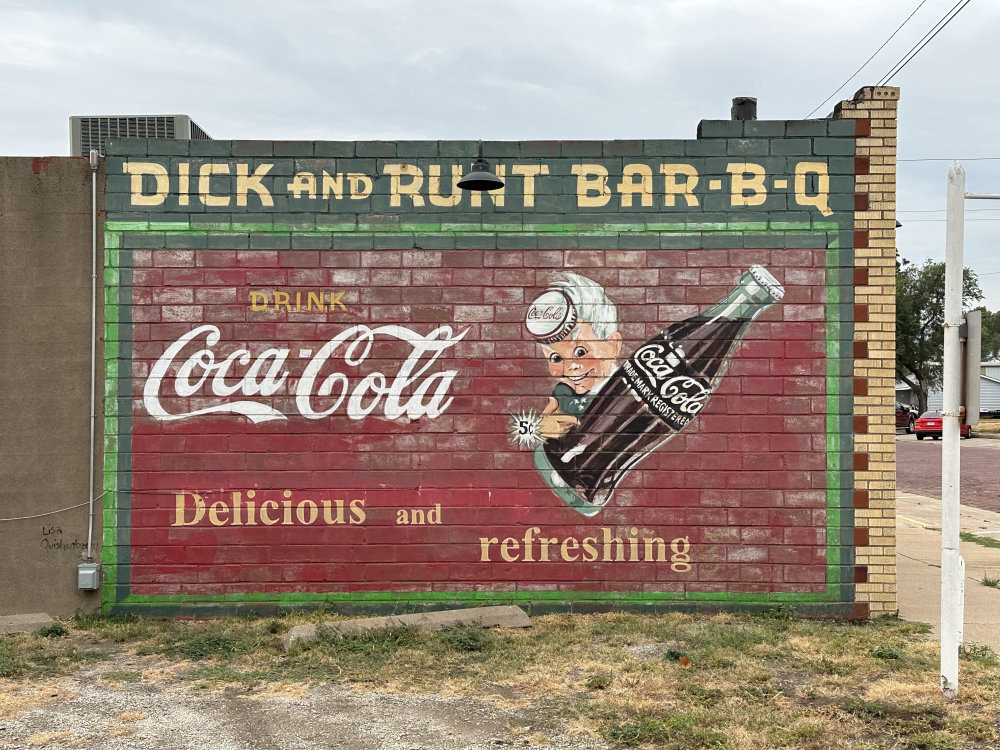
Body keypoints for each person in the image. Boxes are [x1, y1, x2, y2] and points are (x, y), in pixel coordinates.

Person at [525, 273, 622, 439]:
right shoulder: (564, 393)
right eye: (556, 358)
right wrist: (544, 432)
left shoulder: (625, 393)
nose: (570, 366)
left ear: (613, 346)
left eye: (580, 352)